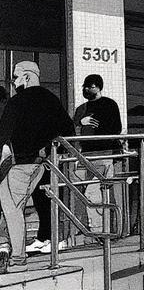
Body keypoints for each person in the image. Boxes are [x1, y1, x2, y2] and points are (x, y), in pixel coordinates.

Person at [0, 61, 74, 273]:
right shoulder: (51, 100)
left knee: (12, 210)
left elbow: (3, 135)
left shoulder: (17, 102)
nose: (13, 82)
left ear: (27, 77)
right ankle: (6, 247)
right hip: (39, 166)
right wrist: (48, 149)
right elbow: (68, 130)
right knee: (16, 207)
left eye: (16, 76)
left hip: (17, 166)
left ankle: (17, 257)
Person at [70, 74, 123, 243]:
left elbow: (117, 128)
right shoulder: (81, 109)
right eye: (85, 87)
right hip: (86, 155)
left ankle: (101, 231)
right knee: (96, 194)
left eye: (90, 86)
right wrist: (81, 123)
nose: (87, 89)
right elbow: (71, 130)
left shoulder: (109, 105)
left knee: (97, 193)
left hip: (104, 153)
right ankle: (103, 231)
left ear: (99, 87)